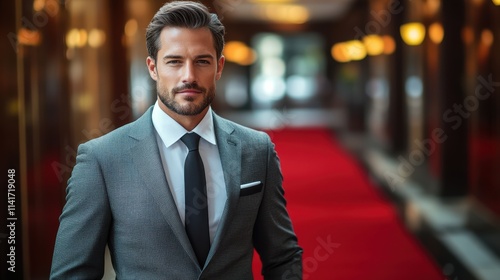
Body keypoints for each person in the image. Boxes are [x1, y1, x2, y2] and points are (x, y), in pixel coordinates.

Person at [50, 1, 302, 279]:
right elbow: (73, 273)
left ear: (219, 67)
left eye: (202, 61)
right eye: (174, 61)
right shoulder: (102, 159)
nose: (189, 76)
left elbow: (282, 257)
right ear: (153, 68)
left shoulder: (256, 150)